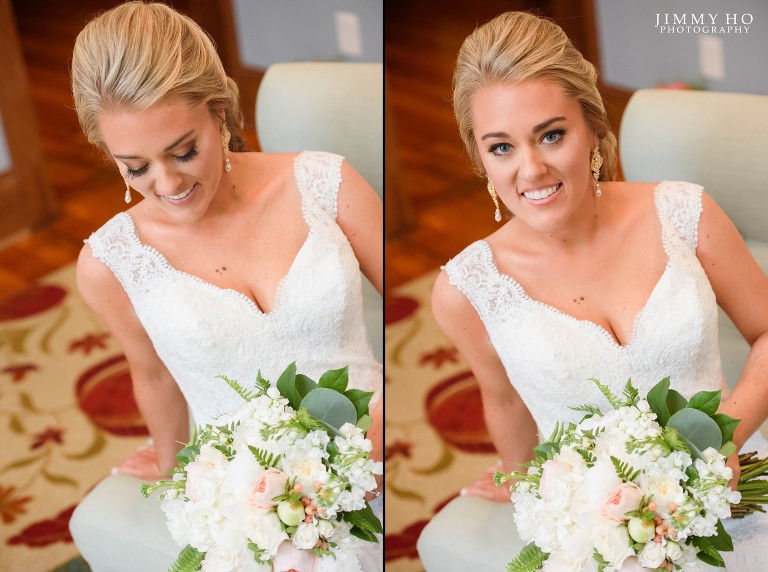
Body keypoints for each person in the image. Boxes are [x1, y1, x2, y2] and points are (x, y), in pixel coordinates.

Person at [417, 10, 768, 571]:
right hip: (602, 533)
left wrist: (726, 440)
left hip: (733, 482)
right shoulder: (466, 290)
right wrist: (520, 478)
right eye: (501, 147)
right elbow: (503, 397)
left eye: (551, 135)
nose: (531, 170)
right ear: (479, 157)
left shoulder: (685, 213)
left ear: (593, 129)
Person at [66, 2, 383, 571]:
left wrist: (377, 447)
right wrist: (174, 473)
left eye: (184, 151)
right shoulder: (111, 263)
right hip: (247, 499)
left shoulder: (326, 183)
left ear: (221, 112)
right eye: (135, 167)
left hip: (374, 452)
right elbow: (153, 373)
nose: (168, 183)